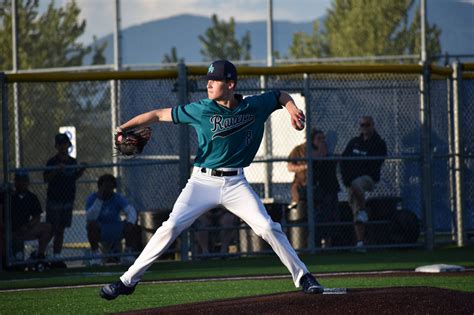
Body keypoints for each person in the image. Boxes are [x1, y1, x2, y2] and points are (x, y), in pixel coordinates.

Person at [100, 59, 324, 300]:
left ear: (230, 84)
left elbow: (280, 95)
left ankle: (304, 277)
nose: (208, 84)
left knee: (268, 227)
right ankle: (127, 281)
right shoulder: (201, 109)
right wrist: (123, 127)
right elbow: (157, 114)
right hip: (202, 182)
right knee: (171, 226)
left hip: (236, 183)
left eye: (214, 80)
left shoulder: (253, 105)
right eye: (208, 79)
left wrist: (291, 109)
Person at [340, 116, 387, 251]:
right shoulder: (354, 142)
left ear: (372, 125)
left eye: (367, 125)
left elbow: (375, 163)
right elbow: (344, 160)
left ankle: (364, 209)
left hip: (368, 179)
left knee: (357, 183)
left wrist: (357, 170)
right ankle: (360, 242)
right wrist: (348, 177)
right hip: (353, 181)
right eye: (362, 125)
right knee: (357, 210)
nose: (364, 128)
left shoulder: (378, 143)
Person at [287, 129, 340, 247]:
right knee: (305, 215)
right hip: (303, 186)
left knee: (327, 217)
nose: (322, 141)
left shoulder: (325, 150)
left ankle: (327, 244)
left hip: (322, 190)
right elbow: (290, 166)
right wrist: (304, 167)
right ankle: (307, 243)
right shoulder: (300, 150)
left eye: (323, 138)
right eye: (318, 139)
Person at [43, 133, 86, 266]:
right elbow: (46, 179)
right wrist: (56, 170)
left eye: (65, 144)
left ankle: (57, 255)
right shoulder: (52, 162)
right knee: (51, 228)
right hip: (54, 200)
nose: (63, 147)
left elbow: (73, 177)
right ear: (56, 146)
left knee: (60, 229)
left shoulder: (72, 162)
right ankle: (41, 253)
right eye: (60, 144)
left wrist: (81, 170)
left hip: (67, 200)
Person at [85, 174, 141, 265]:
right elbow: (90, 217)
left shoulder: (117, 197)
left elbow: (131, 211)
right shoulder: (92, 198)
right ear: (100, 187)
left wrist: (130, 222)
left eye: (110, 187)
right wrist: (99, 199)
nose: (108, 190)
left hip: (116, 228)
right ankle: (96, 255)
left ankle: (127, 253)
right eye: (105, 187)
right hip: (101, 229)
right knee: (91, 225)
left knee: (133, 224)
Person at [11, 171, 52, 261]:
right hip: (9, 231)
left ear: (28, 182)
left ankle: (39, 255)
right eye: (19, 181)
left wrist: (28, 225)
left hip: (25, 229)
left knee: (47, 227)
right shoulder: (9, 196)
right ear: (15, 182)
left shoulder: (32, 197)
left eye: (24, 181)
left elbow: (37, 216)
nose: (22, 183)